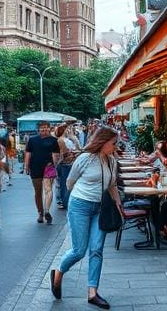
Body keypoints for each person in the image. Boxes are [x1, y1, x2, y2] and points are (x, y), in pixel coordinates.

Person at [48, 126, 123, 310]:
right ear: (103, 142)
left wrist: (119, 207)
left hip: (101, 209)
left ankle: (92, 293)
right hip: (80, 206)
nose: (115, 146)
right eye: (113, 143)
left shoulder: (112, 161)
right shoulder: (85, 158)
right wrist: (82, 198)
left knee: (96, 250)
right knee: (79, 250)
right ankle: (58, 272)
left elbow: (112, 185)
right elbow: (70, 182)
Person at [25, 121, 61, 223]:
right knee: (38, 192)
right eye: (42, 128)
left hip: (48, 168)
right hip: (35, 168)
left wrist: (54, 165)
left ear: (49, 128)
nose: (44, 129)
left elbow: (56, 155)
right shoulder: (32, 140)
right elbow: (28, 153)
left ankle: (46, 211)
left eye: (46, 127)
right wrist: (26, 166)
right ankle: (40, 213)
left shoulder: (54, 140)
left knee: (48, 190)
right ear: (38, 129)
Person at [56, 123, 81, 210]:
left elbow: (78, 149)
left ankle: (66, 201)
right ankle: (65, 202)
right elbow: (64, 153)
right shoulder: (61, 140)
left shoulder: (67, 139)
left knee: (65, 184)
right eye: (68, 129)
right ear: (64, 130)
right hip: (65, 164)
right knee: (64, 184)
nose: (70, 130)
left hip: (68, 163)